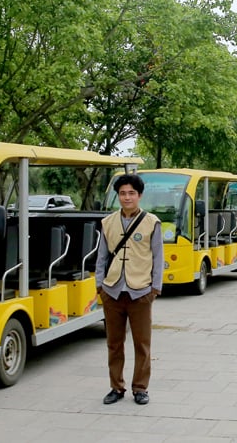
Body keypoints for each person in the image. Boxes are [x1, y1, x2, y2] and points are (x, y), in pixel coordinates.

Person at [96, 173, 163, 406]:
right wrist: (99, 285)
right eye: (123, 193)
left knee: (142, 344)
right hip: (113, 291)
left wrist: (154, 288)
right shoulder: (108, 222)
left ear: (139, 196)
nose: (127, 197)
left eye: (131, 193)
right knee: (114, 343)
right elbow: (101, 257)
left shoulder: (151, 222)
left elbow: (157, 256)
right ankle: (116, 386)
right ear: (118, 196)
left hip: (140, 291)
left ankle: (140, 388)